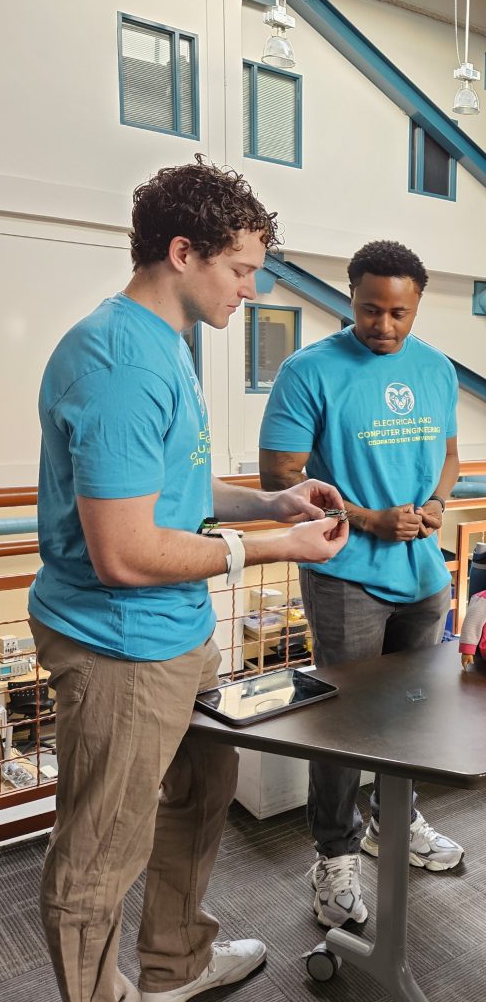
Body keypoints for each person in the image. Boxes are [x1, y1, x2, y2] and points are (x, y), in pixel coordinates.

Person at [28, 156, 349, 1002]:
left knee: (204, 789)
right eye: (242, 270)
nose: (251, 290)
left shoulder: (163, 346)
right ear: (183, 252)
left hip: (175, 634)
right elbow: (126, 550)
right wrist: (275, 549)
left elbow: (175, 485)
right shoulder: (120, 363)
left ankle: (178, 963)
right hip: (118, 645)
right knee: (98, 853)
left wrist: (271, 503)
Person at [259, 240, 464, 930]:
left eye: (398, 313)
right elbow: (280, 475)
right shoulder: (308, 369)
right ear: (351, 299)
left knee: (411, 715)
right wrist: (368, 519)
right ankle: (336, 853)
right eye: (371, 310)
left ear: (416, 307)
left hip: (424, 575)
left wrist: (436, 503)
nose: (385, 326)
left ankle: (393, 822)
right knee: (342, 726)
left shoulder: (435, 368)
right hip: (347, 575)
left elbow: (449, 456)